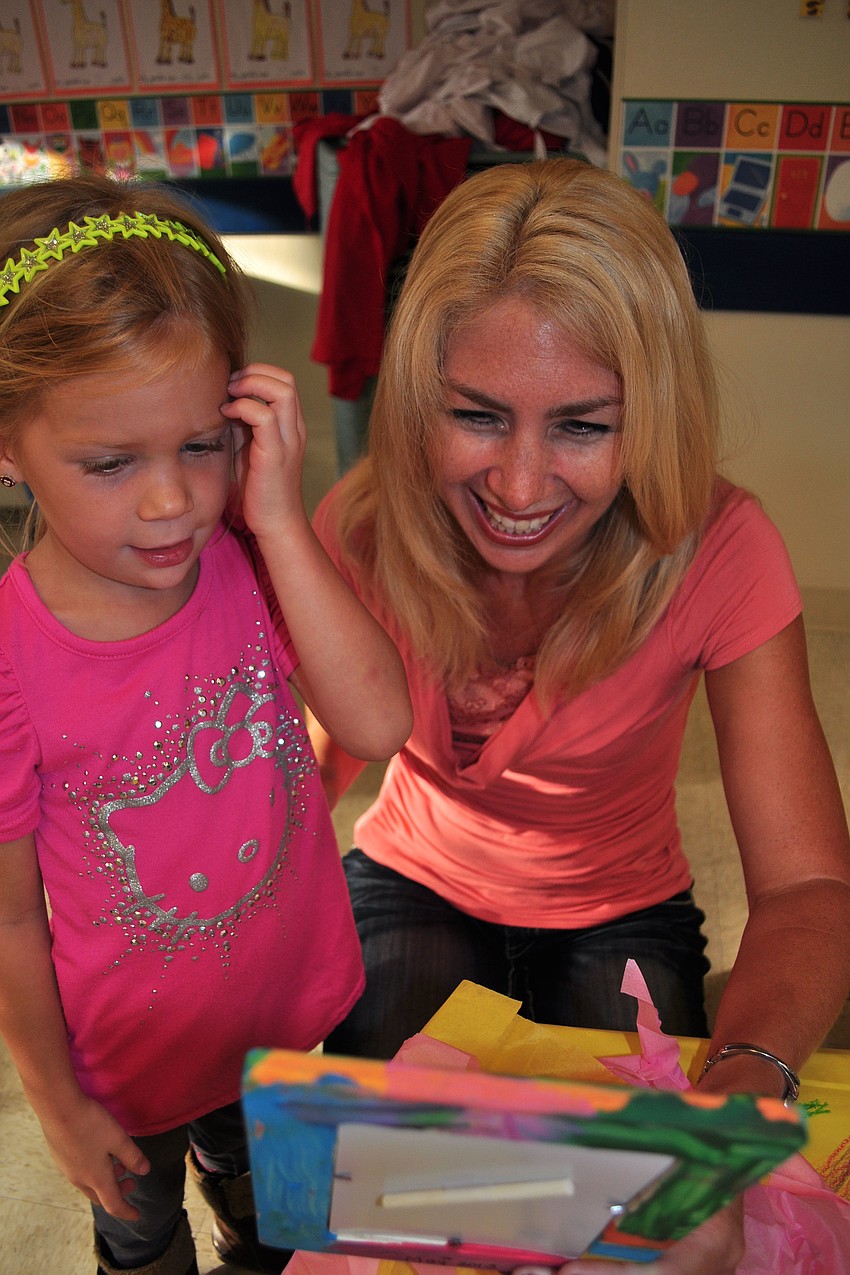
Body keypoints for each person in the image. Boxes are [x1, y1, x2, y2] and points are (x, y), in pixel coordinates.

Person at [309, 158, 850, 1273]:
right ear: (419, 398)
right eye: (476, 416)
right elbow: (316, 752)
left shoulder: (721, 545)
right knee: (382, 1197)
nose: (516, 487)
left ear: (649, 414)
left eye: (581, 428)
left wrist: (740, 1089)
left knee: (626, 1224)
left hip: (620, 899)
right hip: (413, 871)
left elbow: (806, 886)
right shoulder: (358, 531)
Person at [0, 173, 412, 1275]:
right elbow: (8, 924)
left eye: (200, 443)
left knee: (268, 1225)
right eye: (109, 463)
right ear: (7, 447)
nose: (171, 501)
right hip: (123, 1076)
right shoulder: (8, 657)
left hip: (279, 1028)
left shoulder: (254, 558)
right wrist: (54, 1105)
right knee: (142, 1245)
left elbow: (376, 719)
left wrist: (277, 513)